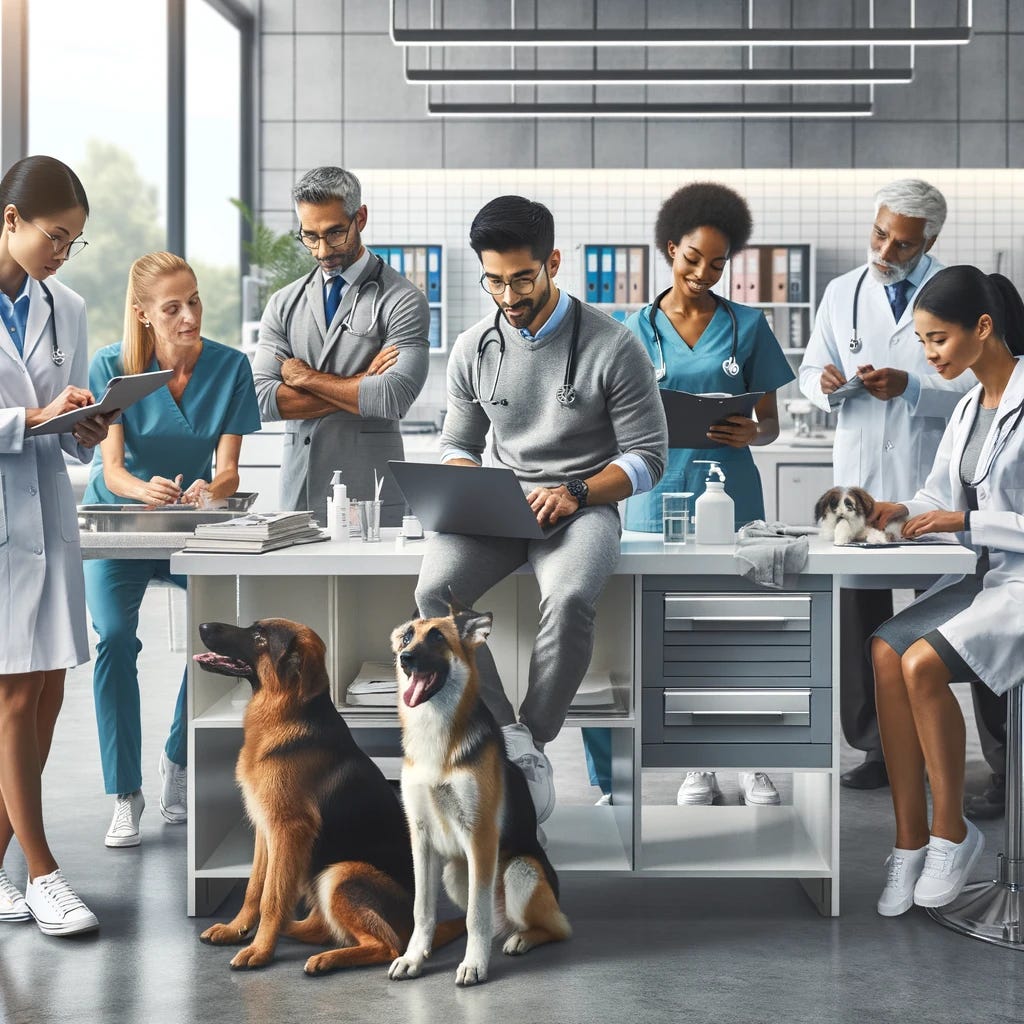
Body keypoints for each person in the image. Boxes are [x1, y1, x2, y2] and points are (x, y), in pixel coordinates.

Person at [414, 195, 667, 825]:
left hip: (584, 507)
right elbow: (458, 443)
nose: (507, 294)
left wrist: (578, 491)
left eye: (522, 278)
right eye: (493, 280)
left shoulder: (614, 345)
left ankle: (537, 735)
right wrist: (464, 481)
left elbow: (648, 457)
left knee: (572, 594)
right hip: (502, 505)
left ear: (552, 262)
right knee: (434, 591)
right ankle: (509, 735)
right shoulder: (474, 347)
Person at [583, 181, 795, 809]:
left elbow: (772, 423)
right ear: (669, 249)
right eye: (691, 259)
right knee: (661, 634)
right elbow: (609, 421)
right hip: (653, 494)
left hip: (733, 495)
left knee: (739, 632)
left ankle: (754, 764)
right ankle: (696, 765)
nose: (703, 273)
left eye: (718, 264)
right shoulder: (629, 331)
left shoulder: (749, 326)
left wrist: (750, 430)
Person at [798, 179, 982, 792]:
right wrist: (821, 384)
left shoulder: (955, 293)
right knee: (861, 621)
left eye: (902, 244)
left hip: (936, 485)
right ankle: (876, 748)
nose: (884, 250)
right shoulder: (840, 292)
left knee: (968, 622)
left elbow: (985, 380)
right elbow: (807, 369)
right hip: (862, 487)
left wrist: (915, 387)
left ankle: (989, 760)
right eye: (879, 234)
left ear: (930, 240)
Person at [83, 252, 261, 849]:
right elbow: (112, 468)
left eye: (195, 301)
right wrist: (145, 488)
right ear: (142, 314)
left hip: (192, 525)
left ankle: (176, 760)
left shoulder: (231, 366)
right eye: (172, 308)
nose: (189, 317)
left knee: (223, 636)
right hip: (120, 523)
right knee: (112, 639)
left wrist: (212, 490)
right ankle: (125, 792)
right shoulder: (112, 365)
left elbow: (230, 470)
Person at [869, 265, 1024, 916]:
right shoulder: (967, 407)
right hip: (984, 574)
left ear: (982, 329)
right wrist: (897, 511)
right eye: (925, 342)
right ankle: (910, 840)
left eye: (938, 340)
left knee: (923, 661)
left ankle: (952, 831)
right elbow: (940, 497)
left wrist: (968, 521)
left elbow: (965, 513)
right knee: (885, 650)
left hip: (1017, 579)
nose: (930, 355)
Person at [0, 155, 114, 936]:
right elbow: (27, 418)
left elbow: (67, 445)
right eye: (54, 235)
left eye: (73, 242)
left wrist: (85, 428)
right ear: (11, 220)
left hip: (48, 517)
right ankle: (42, 872)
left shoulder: (65, 305)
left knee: (49, 692)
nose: (62, 253)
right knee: (12, 697)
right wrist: (37, 419)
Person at [252, 166, 430, 527]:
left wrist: (303, 378)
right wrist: (360, 383)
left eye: (335, 233)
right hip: (298, 495)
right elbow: (261, 399)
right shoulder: (284, 303)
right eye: (310, 236)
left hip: (371, 494)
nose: (322, 250)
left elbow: (391, 398)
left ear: (359, 217)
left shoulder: (402, 299)